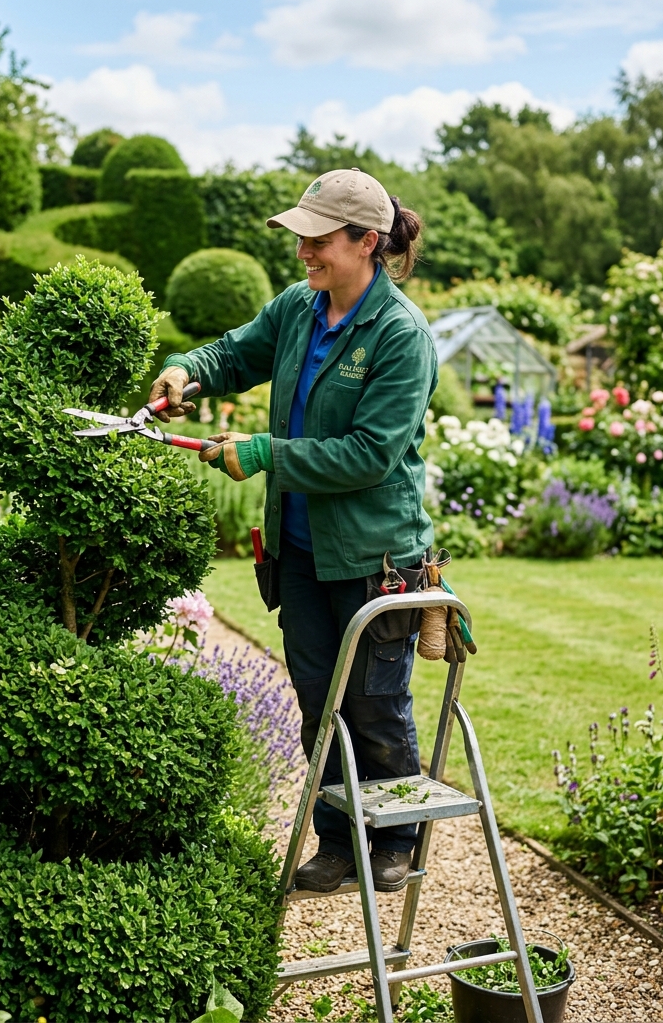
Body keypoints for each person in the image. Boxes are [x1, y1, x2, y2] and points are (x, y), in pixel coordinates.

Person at [148, 168, 437, 893]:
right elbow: (234, 353)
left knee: (373, 707)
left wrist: (262, 453)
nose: (304, 251)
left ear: (367, 242)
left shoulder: (401, 336)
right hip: (300, 554)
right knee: (319, 704)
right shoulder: (298, 309)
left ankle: (397, 836)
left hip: (376, 557)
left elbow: (370, 455)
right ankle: (337, 841)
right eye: (301, 237)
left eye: (318, 239)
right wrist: (186, 372)